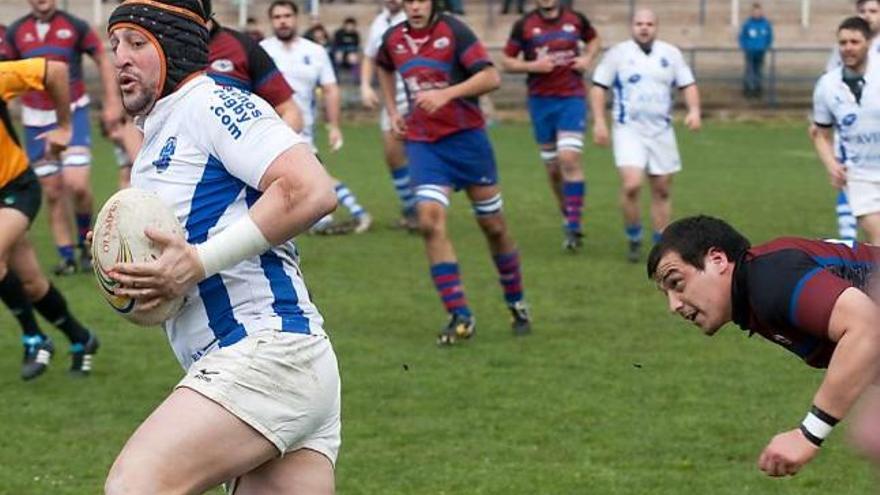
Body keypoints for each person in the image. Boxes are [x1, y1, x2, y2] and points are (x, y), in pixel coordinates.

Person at [102, 0, 341, 491]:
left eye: (137, 43)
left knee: (136, 485)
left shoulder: (212, 102)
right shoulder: (157, 139)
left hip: (264, 351)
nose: (119, 58)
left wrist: (195, 263)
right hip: (280, 366)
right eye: (114, 46)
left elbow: (311, 190)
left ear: (173, 46)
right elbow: (183, 260)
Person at [647, 214, 880, 477]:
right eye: (666, 294)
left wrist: (809, 434)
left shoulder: (770, 279)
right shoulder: (759, 293)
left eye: (677, 283)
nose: (674, 305)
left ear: (717, 260)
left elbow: (867, 327)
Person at [376, 0, 532, 344]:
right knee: (430, 223)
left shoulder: (454, 31)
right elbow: (383, 66)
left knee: (493, 226)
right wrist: (393, 109)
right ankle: (460, 314)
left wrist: (447, 94)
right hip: (423, 142)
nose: (415, 6)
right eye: (409, 0)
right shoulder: (393, 38)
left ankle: (516, 301)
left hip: (467, 142)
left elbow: (491, 76)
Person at [6, 0, 123, 275]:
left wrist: (111, 100)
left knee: (77, 184)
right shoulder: (15, 32)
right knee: (53, 191)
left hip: (72, 114)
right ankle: (67, 256)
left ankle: (85, 244)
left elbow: (103, 59)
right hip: (34, 121)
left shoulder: (75, 26)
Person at [1, 58, 100, 380]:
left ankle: (35, 337)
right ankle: (81, 338)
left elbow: (56, 70)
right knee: (30, 284)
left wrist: (65, 126)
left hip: (16, 188)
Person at [589, 8, 701, 263]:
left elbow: (688, 84)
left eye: (649, 23)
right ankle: (634, 236)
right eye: (639, 23)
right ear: (632, 26)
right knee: (632, 185)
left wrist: (694, 111)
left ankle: (660, 246)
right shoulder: (618, 54)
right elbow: (598, 88)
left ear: (656, 26)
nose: (644, 28)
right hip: (628, 129)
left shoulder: (670, 54)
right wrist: (599, 122)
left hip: (661, 130)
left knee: (661, 189)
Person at [262, 0, 372, 234]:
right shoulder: (262, 51)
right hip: (268, 130)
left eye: (287, 15)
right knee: (298, 180)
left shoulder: (315, 51)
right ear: (271, 21)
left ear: (296, 18)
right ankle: (330, 219)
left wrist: (334, 126)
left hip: (302, 132)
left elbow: (330, 89)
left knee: (313, 178)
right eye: (278, 16)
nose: (283, 21)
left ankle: (347, 216)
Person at [501, 0, 600, 251]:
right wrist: (532, 66)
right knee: (554, 169)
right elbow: (507, 61)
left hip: (571, 98)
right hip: (540, 103)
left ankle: (574, 225)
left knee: (569, 159)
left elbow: (594, 39)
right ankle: (567, 215)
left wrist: (588, 57)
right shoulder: (524, 25)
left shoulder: (576, 19)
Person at [813, 18, 880, 245]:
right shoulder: (827, 85)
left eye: (854, 41)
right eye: (843, 43)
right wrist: (832, 164)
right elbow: (820, 134)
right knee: (878, 236)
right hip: (860, 176)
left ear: (869, 43)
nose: (848, 47)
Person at [360, 0, 417, 229]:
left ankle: (423, 210)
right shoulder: (379, 22)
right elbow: (370, 56)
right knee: (393, 155)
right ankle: (411, 208)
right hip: (392, 98)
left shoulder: (415, 17)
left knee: (421, 154)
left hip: (419, 96)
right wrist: (365, 85)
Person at [738, 3, 773, 98]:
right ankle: (748, 90)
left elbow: (769, 37)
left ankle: (758, 90)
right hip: (750, 52)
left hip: (760, 52)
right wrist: (745, 47)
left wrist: (766, 46)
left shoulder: (766, 24)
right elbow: (742, 37)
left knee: (758, 71)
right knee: (749, 71)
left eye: (758, 11)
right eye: (755, 12)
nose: (757, 13)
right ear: (752, 12)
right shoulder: (747, 24)